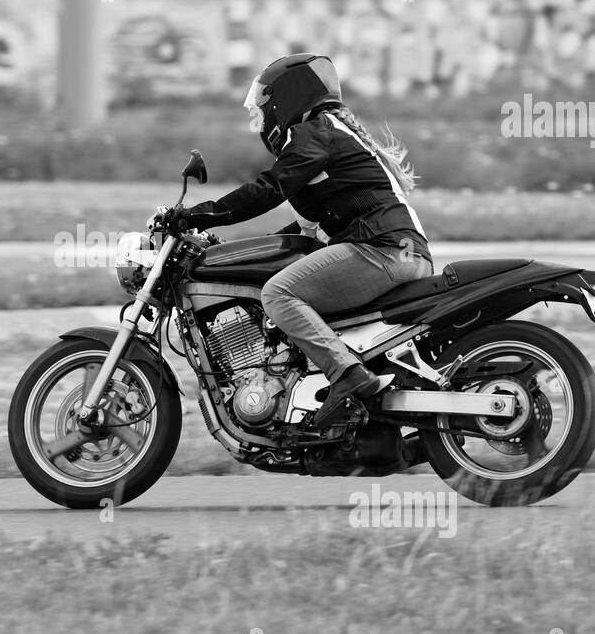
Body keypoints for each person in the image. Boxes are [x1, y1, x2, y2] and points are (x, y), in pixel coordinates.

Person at [175, 54, 434, 429]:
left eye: (263, 104)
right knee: (289, 289)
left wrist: (195, 214)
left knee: (278, 294)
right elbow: (301, 234)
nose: (259, 116)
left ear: (287, 98)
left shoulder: (314, 132)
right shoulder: (328, 138)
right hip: (396, 252)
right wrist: (224, 251)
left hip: (381, 250)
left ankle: (348, 376)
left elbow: (269, 189)